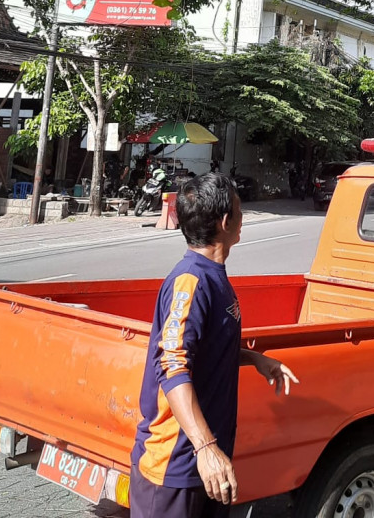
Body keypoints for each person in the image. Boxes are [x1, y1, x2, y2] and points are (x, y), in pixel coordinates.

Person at [130, 171, 299, 517]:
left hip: (206, 467)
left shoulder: (212, 275)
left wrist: (254, 358)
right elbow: (173, 366)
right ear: (225, 221)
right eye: (240, 210)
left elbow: (203, 351)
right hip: (174, 469)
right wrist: (206, 447)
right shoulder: (191, 281)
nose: (243, 220)